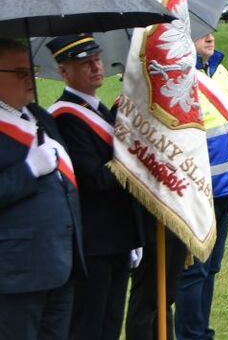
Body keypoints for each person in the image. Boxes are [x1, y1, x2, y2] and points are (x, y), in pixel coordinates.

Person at [45, 35, 140, 340]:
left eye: (97, 59)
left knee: (110, 323)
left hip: (117, 236)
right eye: (85, 63)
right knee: (89, 326)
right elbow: (94, 179)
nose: (96, 67)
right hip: (93, 241)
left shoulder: (100, 110)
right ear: (64, 71)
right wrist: (133, 162)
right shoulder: (65, 117)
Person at [0, 39, 83, 340]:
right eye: (19, 72)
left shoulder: (39, 116)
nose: (30, 79)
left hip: (59, 262)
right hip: (17, 271)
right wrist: (29, 170)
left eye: (31, 70)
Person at [175, 33, 228, 340]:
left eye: (211, 30)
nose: (210, 36)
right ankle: (191, 335)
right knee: (194, 270)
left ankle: (203, 331)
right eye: (200, 31)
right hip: (196, 188)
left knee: (212, 267)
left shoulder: (219, 70)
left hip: (225, 183)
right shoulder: (179, 75)